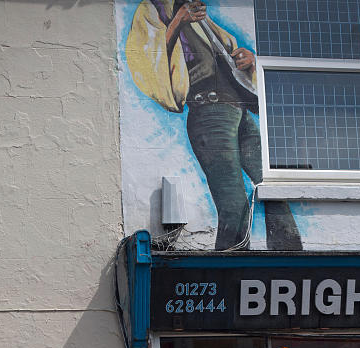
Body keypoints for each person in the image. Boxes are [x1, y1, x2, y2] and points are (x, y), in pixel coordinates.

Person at [126, 0, 302, 251]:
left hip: (239, 110)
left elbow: (228, 52)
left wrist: (248, 60)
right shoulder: (153, 10)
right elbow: (145, 62)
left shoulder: (201, 19)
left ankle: (292, 260)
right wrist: (178, 21)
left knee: (273, 189)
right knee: (234, 203)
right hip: (208, 113)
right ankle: (231, 274)